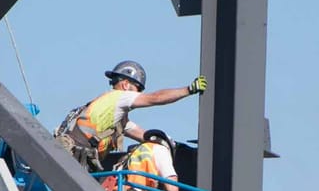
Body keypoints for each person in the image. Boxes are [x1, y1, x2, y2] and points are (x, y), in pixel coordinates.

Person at [54, 60, 207, 172]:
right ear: (126, 84)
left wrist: (169, 145)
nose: (139, 94)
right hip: (74, 158)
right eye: (138, 89)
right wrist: (188, 90)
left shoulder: (115, 115)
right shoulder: (119, 97)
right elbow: (154, 98)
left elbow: (143, 134)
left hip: (75, 160)